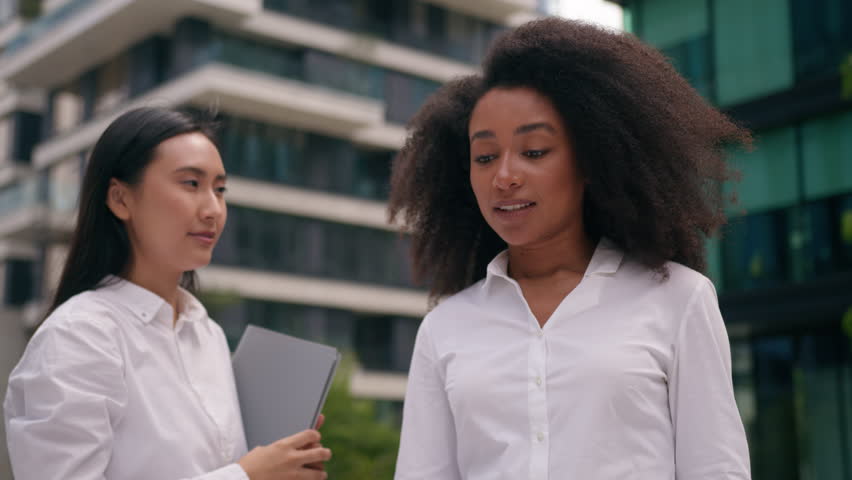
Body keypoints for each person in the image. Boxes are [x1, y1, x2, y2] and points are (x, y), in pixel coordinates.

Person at [390, 18, 752, 480]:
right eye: (484, 157)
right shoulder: (445, 330)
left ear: (590, 160)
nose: (504, 176)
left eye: (535, 151)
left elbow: (716, 470)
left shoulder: (679, 299)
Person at [4, 107, 332, 480]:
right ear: (120, 199)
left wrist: (281, 466)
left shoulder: (206, 334)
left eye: (220, 189)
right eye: (191, 184)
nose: (213, 209)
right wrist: (247, 475)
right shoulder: (78, 337)